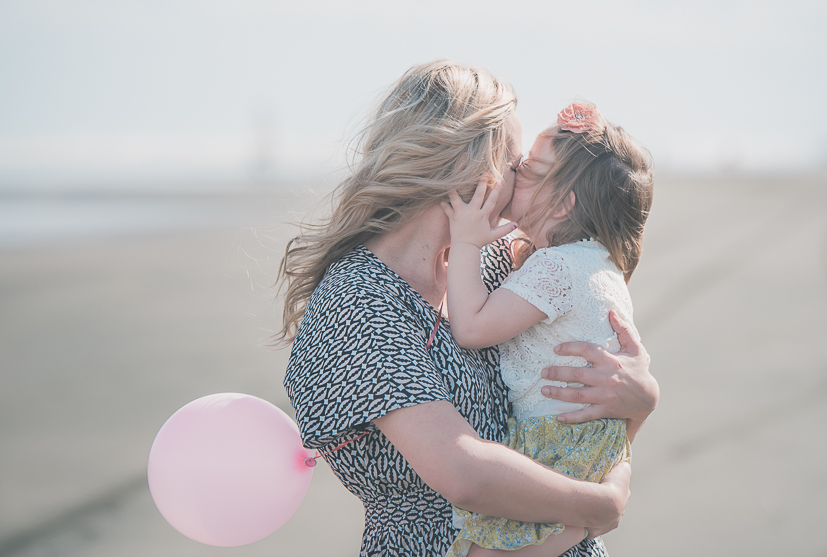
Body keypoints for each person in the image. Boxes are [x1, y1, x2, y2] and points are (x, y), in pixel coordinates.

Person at [279, 61, 659, 556]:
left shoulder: (499, 262)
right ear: (469, 166)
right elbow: (463, 473)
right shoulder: (358, 300)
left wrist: (642, 398)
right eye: (515, 164)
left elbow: (578, 407)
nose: (521, 177)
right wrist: (600, 507)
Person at [442, 102, 654, 557]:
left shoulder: (556, 267)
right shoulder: (597, 262)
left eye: (530, 170)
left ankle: (576, 528)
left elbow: (472, 327)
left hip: (555, 441)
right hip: (592, 441)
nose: (513, 174)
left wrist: (463, 243)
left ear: (562, 205)